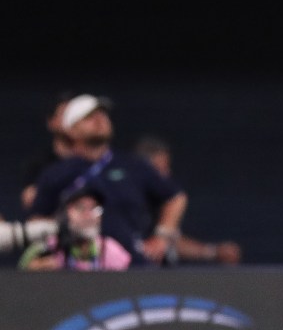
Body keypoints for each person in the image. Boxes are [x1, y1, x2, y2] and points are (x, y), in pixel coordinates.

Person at [29, 94, 188, 266]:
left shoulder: (133, 165)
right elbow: (38, 219)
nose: (100, 120)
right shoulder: (55, 173)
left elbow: (175, 197)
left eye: (103, 115)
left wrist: (161, 236)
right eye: (89, 117)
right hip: (78, 271)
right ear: (71, 130)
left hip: (134, 266)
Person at [135, 136, 242, 265]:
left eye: (167, 168)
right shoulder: (128, 202)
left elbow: (173, 242)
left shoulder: (160, 206)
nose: (166, 174)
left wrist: (214, 252)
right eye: (160, 169)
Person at [19, 187, 131, 271]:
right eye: (81, 208)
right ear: (65, 214)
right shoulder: (45, 248)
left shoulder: (110, 249)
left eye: (94, 208)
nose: (89, 215)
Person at [19, 93, 75, 212]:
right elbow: (30, 201)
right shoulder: (38, 165)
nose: (71, 121)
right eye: (65, 115)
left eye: (76, 116)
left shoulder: (100, 160)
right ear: (51, 122)